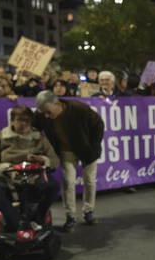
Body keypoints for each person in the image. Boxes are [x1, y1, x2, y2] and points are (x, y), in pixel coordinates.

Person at [33, 91, 105, 232]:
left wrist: (94, 146)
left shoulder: (79, 108)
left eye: (48, 112)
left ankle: (88, 211)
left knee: (89, 181)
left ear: (58, 105)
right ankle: (70, 216)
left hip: (87, 151)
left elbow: (98, 124)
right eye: (43, 113)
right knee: (69, 183)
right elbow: (35, 129)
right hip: (66, 152)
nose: (46, 116)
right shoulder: (41, 114)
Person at [0, 106, 60, 231]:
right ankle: (17, 223)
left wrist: (43, 160)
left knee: (53, 186)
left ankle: (39, 219)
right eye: (19, 120)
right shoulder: (0, 137)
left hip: (33, 177)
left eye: (27, 120)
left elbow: (54, 161)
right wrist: (6, 168)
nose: (23, 124)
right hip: (9, 180)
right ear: (12, 121)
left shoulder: (39, 138)